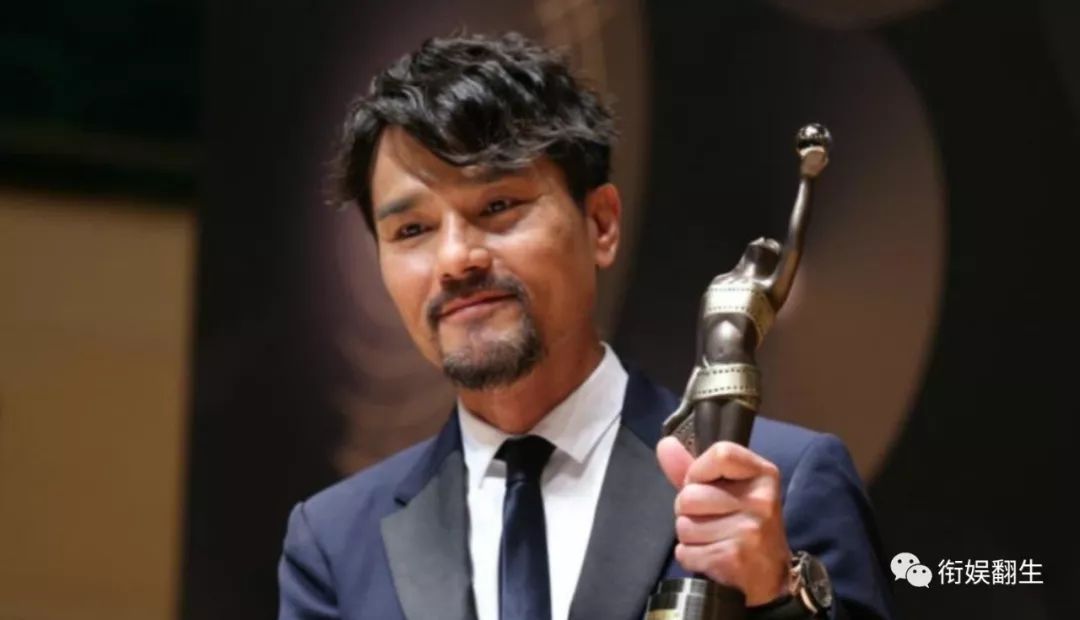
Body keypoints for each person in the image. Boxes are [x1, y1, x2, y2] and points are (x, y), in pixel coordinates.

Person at [277, 31, 895, 620]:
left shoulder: (780, 481)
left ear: (600, 223)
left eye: (498, 206)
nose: (455, 259)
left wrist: (776, 595)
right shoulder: (334, 542)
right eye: (412, 230)